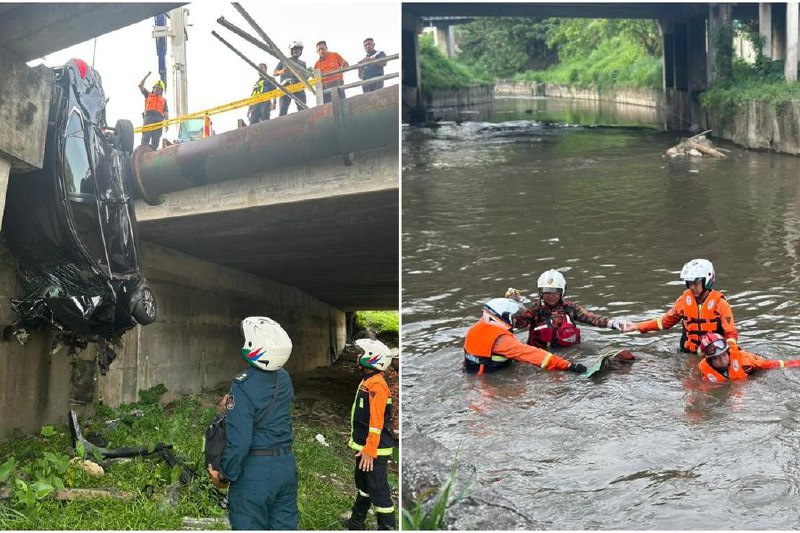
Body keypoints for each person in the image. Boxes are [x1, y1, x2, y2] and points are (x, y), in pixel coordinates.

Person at [207, 316, 298, 530]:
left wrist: (224, 474)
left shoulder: (243, 384)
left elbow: (240, 441)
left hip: (255, 471)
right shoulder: (284, 378)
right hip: (286, 467)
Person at [619, 259, 739, 354]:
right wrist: (636, 326)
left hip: (713, 356)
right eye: (689, 283)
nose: (692, 287)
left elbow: (731, 334)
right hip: (688, 354)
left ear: (707, 281)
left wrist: (729, 354)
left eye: (696, 283)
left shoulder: (721, 305)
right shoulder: (683, 302)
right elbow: (664, 323)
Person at [343, 339, 395, 530]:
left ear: (372, 359)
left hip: (374, 450)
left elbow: (376, 422)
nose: (358, 357)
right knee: (364, 487)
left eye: (362, 354)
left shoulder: (377, 385)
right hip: (365, 447)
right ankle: (356, 523)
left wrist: (370, 449)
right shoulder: (369, 381)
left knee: (378, 492)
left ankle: (387, 527)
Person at [507, 269, 628, 350]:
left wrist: (613, 323)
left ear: (562, 292)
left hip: (570, 352)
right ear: (541, 293)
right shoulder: (535, 309)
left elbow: (591, 318)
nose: (551, 296)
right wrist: (515, 307)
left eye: (555, 292)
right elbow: (519, 324)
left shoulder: (570, 308)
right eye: (547, 292)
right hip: (541, 354)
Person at [463, 297, 587, 375]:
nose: (516, 320)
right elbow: (534, 355)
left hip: (473, 371)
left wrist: (513, 300)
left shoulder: (478, 327)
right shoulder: (502, 340)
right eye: (513, 317)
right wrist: (568, 365)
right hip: (491, 378)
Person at [698, 332, 787, 382]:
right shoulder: (705, 375)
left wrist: (795, 363)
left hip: (754, 371)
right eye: (716, 358)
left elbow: (769, 364)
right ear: (710, 361)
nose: (722, 360)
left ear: (728, 353)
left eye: (724, 355)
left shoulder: (745, 360)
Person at [273, 41, 308, 116]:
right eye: (295, 49)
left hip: (299, 86)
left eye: (299, 49)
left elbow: (306, 77)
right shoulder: (284, 60)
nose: (297, 51)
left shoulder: (303, 64)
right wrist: (281, 71)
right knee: (283, 110)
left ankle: (303, 124)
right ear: (291, 51)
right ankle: (281, 125)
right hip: (286, 86)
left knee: (303, 109)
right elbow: (274, 72)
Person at [138, 73, 168, 150]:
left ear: (161, 91)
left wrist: (167, 124)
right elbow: (140, 86)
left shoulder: (164, 101)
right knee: (146, 135)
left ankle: (153, 151)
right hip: (149, 116)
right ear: (153, 89)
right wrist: (146, 76)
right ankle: (143, 150)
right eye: (156, 88)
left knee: (156, 137)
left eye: (159, 88)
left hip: (159, 119)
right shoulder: (148, 95)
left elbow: (166, 113)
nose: (157, 90)